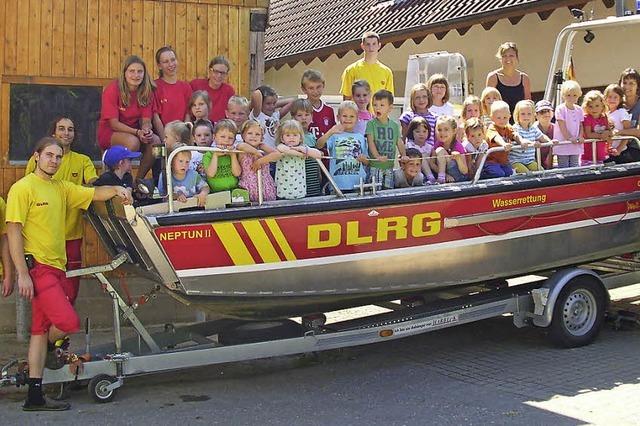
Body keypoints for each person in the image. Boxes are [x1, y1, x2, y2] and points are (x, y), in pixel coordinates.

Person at [6, 137, 130, 411]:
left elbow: (95, 194)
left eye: (58, 156)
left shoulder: (60, 188)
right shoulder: (22, 188)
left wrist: (118, 190)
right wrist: (21, 274)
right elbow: (13, 232)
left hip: (58, 267)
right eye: (49, 155)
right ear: (36, 156)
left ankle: (35, 396)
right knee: (67, 321)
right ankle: (52, 352)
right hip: (38, 269)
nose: (54, 160)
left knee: (40, 331)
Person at [25, 116, 97, 304]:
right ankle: (49, 330)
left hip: (71, 234)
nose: (66, 132)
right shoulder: (35, 161)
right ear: (53, 132)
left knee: (70, 287)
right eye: (62, 128)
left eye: (70, 129)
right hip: (43, 238)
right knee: (45, 290)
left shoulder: (83, 161)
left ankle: (61, 332)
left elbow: (93, 184)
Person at [97, 55, 160, 183]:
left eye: (140, 71)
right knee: (133, 142)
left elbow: (146, 119)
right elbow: (114, 124)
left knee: (155, 142)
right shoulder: (113, 89)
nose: (136, 75)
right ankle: (123, 180)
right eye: (132, 71)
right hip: (111, 133)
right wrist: (137, 133)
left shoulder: (146, 90)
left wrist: (146, 130)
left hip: (136, 133)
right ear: (124, 73)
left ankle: (138, 181)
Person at [317, 101, 369, 192]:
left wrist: (364, 159)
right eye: (344, 116)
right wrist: (330, 132)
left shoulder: (361, 137)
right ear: (338, 117)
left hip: (357, 184)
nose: (348, 119)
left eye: (352, 116)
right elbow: (318, 145)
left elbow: (367, 161)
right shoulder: (334, 135)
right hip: (337, 185)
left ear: (357, 119)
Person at [366, 89, 407, 189]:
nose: (377, 108)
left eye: (381, 105)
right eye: (375, 105)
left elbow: (399, 142)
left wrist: (404, 155)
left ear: (390, 108)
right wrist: (377, 156)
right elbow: (370, 143)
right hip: (375, 166)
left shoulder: (394, 125)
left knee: (388, 190)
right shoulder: (371, 124)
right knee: (375, 190)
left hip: (389, 166)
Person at [152, 46, 192, 141]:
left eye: (173, 60)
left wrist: (183, 139)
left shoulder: (186, 87)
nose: (171, 64)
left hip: (181, 138)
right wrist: (165, 140)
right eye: (165, 62)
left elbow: (188, 115)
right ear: (159, 66)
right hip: (163, 136)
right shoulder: (154, 86)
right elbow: (156, 118)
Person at [275, 120, 322, 200]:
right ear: (282, 139)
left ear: (300, 138)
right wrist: (300, 154)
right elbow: (287, 151)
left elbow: (318, 154)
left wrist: (303, 149)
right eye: (288, 135)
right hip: (283, 191)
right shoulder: (280, 147)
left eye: (295, 135)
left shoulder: (303, 148)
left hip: (300, 190)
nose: (291, 137)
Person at [340, 31, 394, 100]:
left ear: (379, 45)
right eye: (368, 44)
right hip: (357, 111)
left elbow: (388, 100)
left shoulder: (387, 72)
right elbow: (347, 99)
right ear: (362, 46)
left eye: (374, 44)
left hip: (378, 111)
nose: (371, 48)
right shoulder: (351, 70)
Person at [485, 42, 532, 117]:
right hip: (499, 122)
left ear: (517, 58)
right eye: (504, 56)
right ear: (500, 58)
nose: (508, 59)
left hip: (519, 123)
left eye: (511, 56)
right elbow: (487, 104)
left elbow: (528, 105)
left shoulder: (524, 78)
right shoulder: (493, 77)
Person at [237, 120, 278, 202]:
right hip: (248, 186)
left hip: (265, 186)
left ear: (262, 137)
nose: (253, 136)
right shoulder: (241, 146)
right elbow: (242, 146)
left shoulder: (261, 146)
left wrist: (260, 161)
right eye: (250, 133)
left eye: (257, 134)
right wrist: (257, 153)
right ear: (243, 136)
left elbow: (277, 154)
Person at [291, 99, 323, 197]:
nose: (303, 118)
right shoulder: (292, 137)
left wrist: (319, 173)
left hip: (313, 177)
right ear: (293, 117)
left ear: (311, 116)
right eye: (299, 115)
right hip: (299, 178)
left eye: (307, 115)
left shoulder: (311, 136)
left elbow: (316, 159)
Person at [189, 56, 235, 123]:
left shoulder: (229, 91)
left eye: (222, 73)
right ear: (210, 71)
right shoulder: (195, 85)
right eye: (216, 71)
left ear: (227, 74)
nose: (219, 75)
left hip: (220, 128)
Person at [604, 84, 640, 163]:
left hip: (620, 152)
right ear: (605, 98)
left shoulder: (622, 112)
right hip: (608, 151)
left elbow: (627, 133)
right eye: (609, 97)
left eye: (615, 97)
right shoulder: (605, 114)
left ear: (620, 99)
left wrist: (619, 150)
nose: (612, 99)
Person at [202, 119, 241, 192]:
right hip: (216, 193)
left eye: (230, 138)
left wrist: (233, 156)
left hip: (233, 191)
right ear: (214, 137)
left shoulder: (234, 153)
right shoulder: (208, 154)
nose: (226, 140)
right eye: (222, 137)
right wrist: (215, 155)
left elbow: (237, 173)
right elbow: (210, 174)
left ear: (234, 140)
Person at [511, 100, 549, 173]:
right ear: (517, 115)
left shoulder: (533, 128)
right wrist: (532, 143)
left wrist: (550, 141)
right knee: (527, 173)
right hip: (516, 161)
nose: (526, 116)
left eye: (529, 114)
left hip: (529, 160)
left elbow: (542, 137)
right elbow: (521, 139)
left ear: (533, 115)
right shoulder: (515, 128)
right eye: (523, 114)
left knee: (541, 171)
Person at [553, 80, 585, 168]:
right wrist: (569, 138)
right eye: (568, 95)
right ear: (563, 95)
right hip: (563, 143)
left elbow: (581, 125)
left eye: (574, 95)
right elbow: (562, 125)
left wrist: (580, 136)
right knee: (564, 167)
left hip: (575, 144)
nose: (571, 98)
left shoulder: (579, 109)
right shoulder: (560, 109)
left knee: (575, 166)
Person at [431, 115, 468, 183]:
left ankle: (441, 178)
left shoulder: (458, 146)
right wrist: (445, 175)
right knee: (440, 150)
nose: (442, 133)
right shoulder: (438, 144)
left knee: (440, 150)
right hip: (445, 175)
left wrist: (458, 158)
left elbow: (465, 171)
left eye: (446, 129)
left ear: (454, 131)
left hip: (458, 177)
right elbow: (432, 164)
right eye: (439, 130)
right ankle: (441, 177)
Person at [482, 101, 515, 178]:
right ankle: (482, 175)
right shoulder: (491, 128)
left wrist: (522, 141)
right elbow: (496, 137)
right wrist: (504, 144)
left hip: (503, 161)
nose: (502, 120)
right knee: (499, 174)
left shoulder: (508, 128)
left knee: (509, 173)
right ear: (492, 117)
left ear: (509, 117)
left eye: (505, 118)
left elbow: (515, 135)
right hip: (491, 161)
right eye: (499, 118)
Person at [301, 70, 336, 139]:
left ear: (323, 86)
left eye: (318, 87)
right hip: (306, 148)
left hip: (325, 149)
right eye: (311, 88)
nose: (315, 91)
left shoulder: (329, 110)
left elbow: (333, 133)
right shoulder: (300, 109)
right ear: (304, 89)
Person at [581, 90, 612, 165]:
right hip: (588, 155)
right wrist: (602, 135)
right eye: (590, 106)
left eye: (597, 106)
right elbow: (588, 134)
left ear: (602, 106)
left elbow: (609, 131)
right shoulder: (586, 118)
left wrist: (608, 133)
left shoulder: (604, 117)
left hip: (602, 153)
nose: (594, 109)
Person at [405, 116, 436, 184]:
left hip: (429, 172)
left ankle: (434, 178)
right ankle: (431, 178)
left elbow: (432, 163)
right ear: (412, 132)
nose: (421, 134)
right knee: (421, 156)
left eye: (424, 131)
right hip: (414, 173)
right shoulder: (409, 145)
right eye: (417, 131)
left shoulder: (430, 147)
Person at [533, 100, 555, 169]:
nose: (546, 114)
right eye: (542, 112)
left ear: (552, 113)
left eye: (548, 111)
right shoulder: (532, 128)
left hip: (548, 163)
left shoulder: (556, 128)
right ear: (536, 115)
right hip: (533, 162)